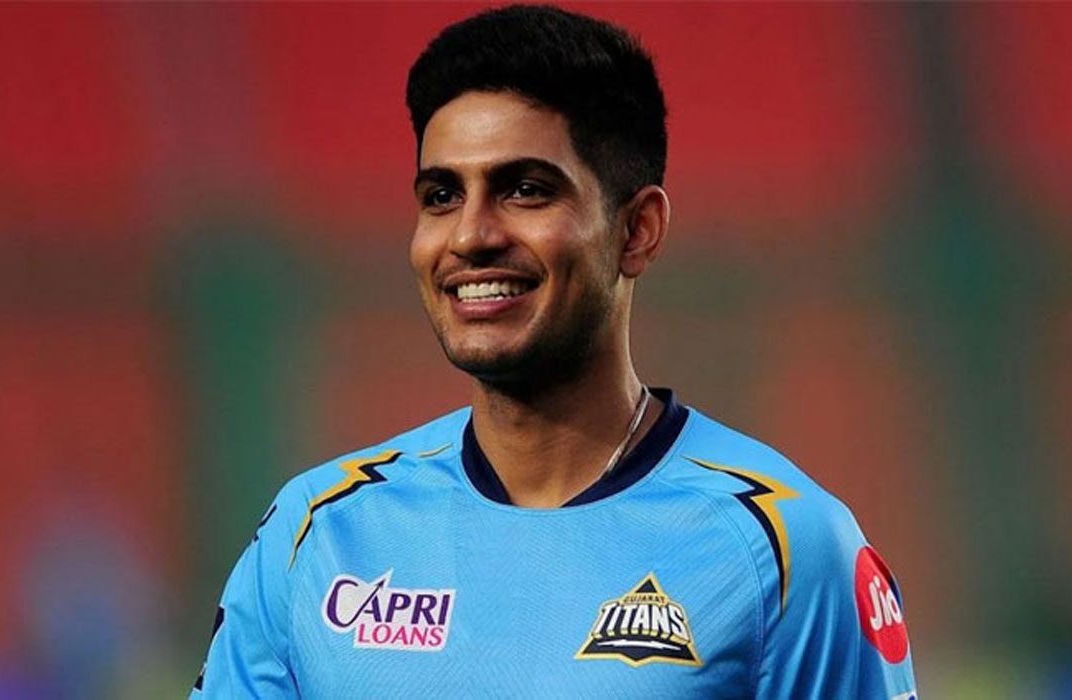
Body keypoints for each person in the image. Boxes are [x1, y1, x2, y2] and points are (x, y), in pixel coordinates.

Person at [191, 5, 917, 698]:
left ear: (638, 230)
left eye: (526, 190)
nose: (471, 236)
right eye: (441, 196)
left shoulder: (786, 548)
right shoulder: (317, 532)